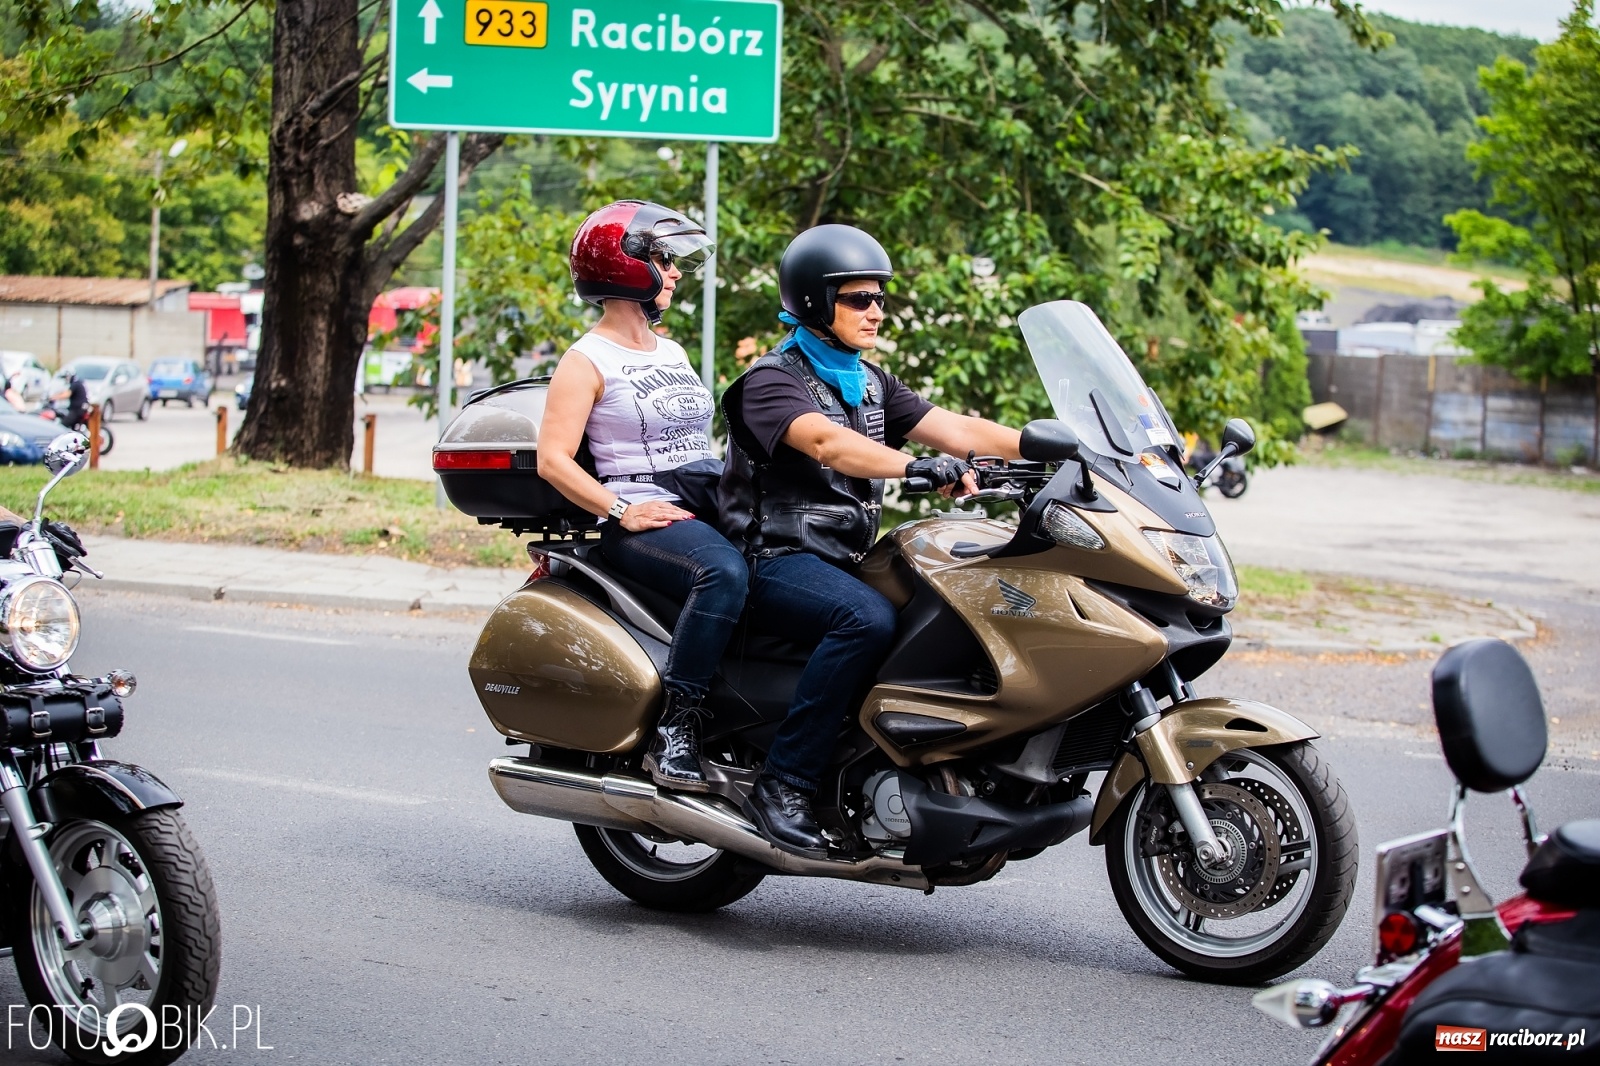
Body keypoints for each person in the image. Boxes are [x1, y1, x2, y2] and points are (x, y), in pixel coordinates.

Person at [719, 224, 1025, 858]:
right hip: (774, 558)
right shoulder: (772, 382)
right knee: (864, 619)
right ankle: (785, 784)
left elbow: (956, 427)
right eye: (859, 298)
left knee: (954, 599)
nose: (876, 311)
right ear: (814, 302)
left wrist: (1068, 449)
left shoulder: (870, 383)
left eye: (880, 298)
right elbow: (831, 445)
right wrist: (914, 467)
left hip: (842, 558)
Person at [538, 199, 745, 793]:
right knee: (722, 574)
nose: (676, 273)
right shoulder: (586, 361)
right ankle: (675, 730)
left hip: (695, 498)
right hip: (638, 514)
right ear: (628, 267)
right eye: (664, 260)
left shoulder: (671, 351)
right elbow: (553, 460)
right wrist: (623, 510)